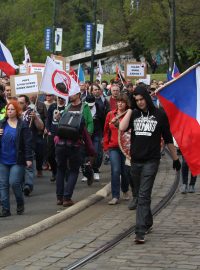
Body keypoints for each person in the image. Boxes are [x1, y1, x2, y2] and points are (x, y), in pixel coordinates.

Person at [119, 85, 181, 244]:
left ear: (147, 98)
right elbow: (122, 127)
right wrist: (131, 109)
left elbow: (168, 139)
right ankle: (148, 221)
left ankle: (139, 231)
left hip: (151, 161)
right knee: (140, 196)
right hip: (135, 161)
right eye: (136, 100)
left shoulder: (159, 114)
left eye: (141, 99)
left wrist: (175, 159)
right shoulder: (134, 113)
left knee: (144, 195)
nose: (139, 102)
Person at [55, 91, 95, 207]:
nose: (70, 96)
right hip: (74, 146)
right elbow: (85, 134)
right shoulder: (68, 108)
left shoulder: (84, 108)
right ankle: (66, 198)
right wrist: (91, 151)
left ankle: (59, 197)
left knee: (61, 170)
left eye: (72, 94)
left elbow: (89, 124)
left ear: (78, 95)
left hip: (61, 145)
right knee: (73, 171)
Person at [0, 101, 32, 217]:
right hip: (3, 159)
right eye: (8, 109)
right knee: (3, 184)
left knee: (14, 182)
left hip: (17, 160)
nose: (10, 111)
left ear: (17, 111)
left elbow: (28, 143)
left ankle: (20, 202)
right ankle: (5, 209)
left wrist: (28, 158)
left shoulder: (22, 125)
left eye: (12, 109)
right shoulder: (2, 124)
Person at [103, 93, 130, 205]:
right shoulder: (110, 114)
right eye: (118, 102)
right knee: (115, 170)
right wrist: (105, 145)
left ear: (126, 103)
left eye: (122, 102)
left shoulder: (129, 114)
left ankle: (125, 189)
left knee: (125, 172)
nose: (120, 104)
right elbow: (106, 131)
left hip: (126, 148)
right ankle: (115, 196)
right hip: (113, 147)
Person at [18, 95, 44, 196]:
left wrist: (36, 118)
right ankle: (21, 185)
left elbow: (41, 126)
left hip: (29, 143)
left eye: (21, 103)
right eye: (18, 102)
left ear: (27, 103)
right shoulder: (14, 112)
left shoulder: (31, 112)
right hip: (16, 144)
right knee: (19, 166)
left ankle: (28, 186)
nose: (19, 105)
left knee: (28, 165)